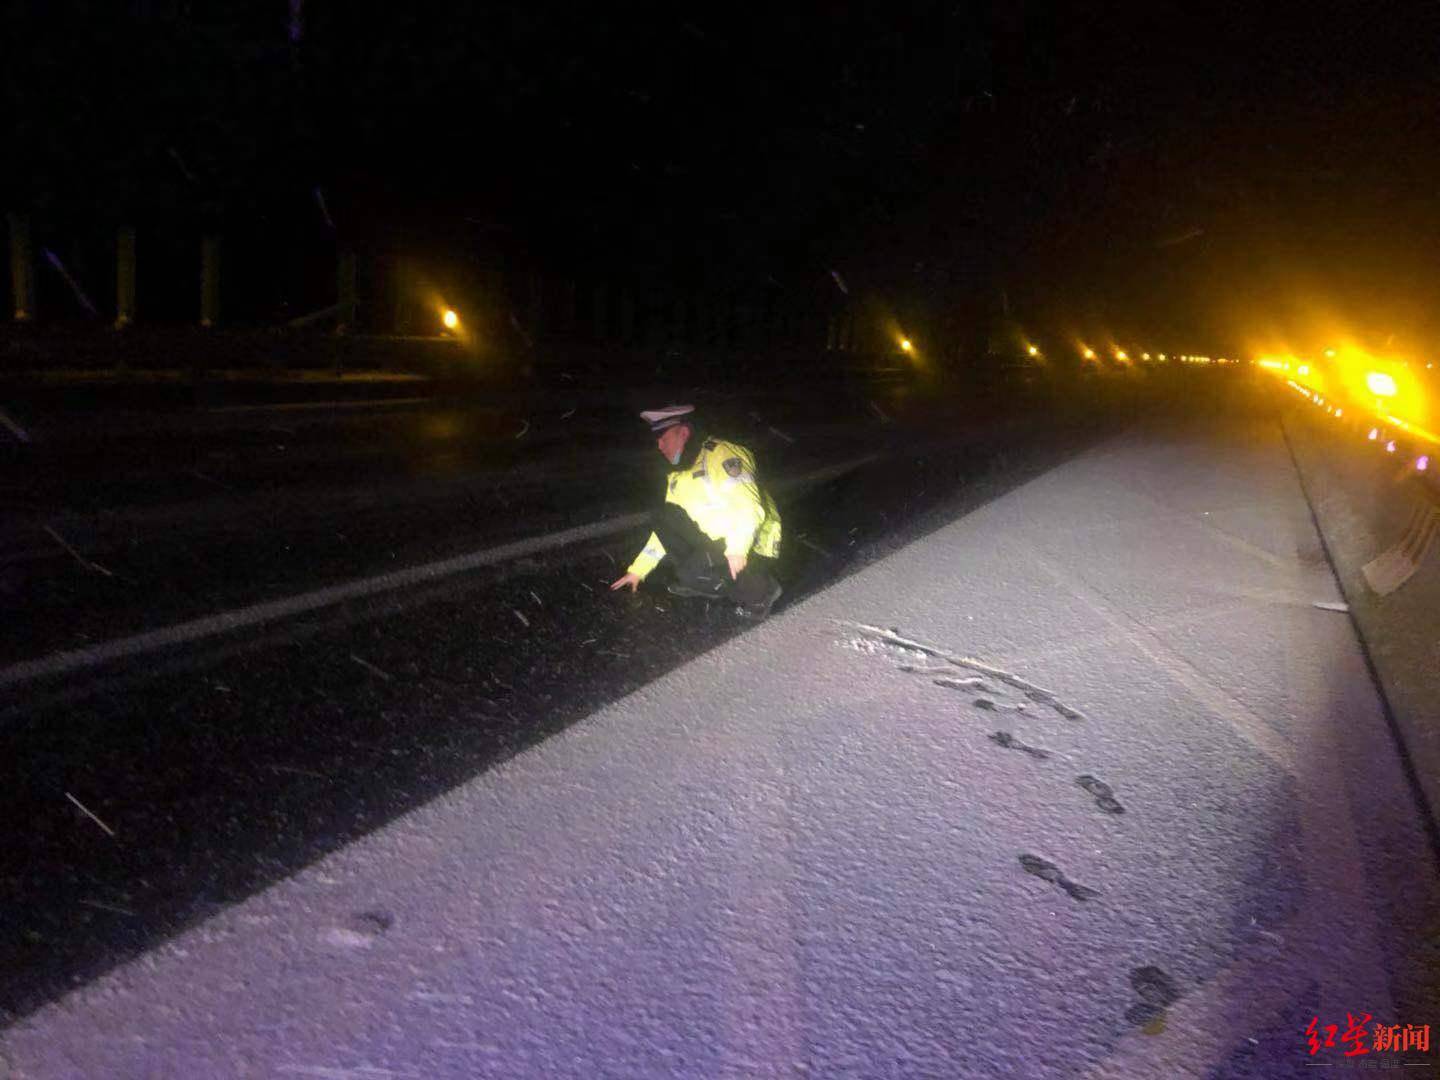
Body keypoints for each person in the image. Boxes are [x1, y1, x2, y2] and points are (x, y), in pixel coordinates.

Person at [610, 404, 783, 620]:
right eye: (657, 440)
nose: (660, 445)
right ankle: (704, 578)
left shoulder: (722, 454)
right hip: (718, 541)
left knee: (700, 572)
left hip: (752, 541)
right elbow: (665, 532)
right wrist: (638, 570)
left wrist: (737, 549)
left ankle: (763, 591)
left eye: (663, 437)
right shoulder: (678, 476)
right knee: (665, 516)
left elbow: (748, 507)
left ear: (684, 433)